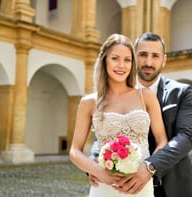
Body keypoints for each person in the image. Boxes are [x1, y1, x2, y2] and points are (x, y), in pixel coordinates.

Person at [89, 32, 192, 197]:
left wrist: (150, 166)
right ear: (134, 57)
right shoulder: (112, 94)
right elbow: (101, 133)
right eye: (143, 55)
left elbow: (185, 136)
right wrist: (95, 161)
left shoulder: (181, 92)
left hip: (175, 185)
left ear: (163, 60)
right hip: (124, 186)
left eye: (155, 56)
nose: (148, 62)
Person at [69, 33, 167, 197]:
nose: (122, 65)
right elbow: (74, 150)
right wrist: (96, 171)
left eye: (127, 60)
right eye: (115, 58)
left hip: (140, 184)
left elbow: (162, 141)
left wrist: (148, 168)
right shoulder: (89, 102)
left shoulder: (146, 96)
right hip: (105, 185)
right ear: (105, 60)